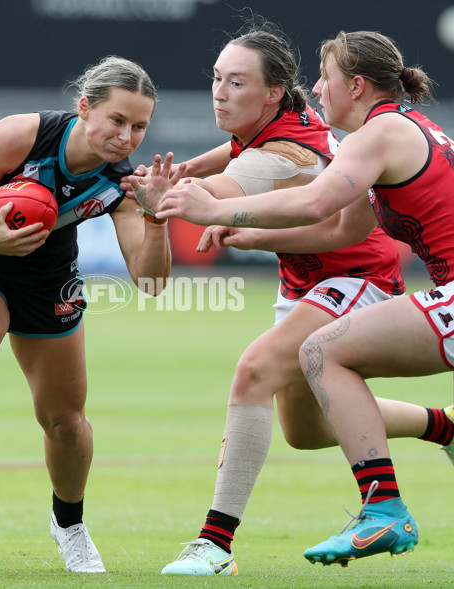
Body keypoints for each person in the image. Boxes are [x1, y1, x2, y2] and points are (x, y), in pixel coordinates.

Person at [129, 23, 454, 576]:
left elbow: (313, 201)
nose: (317, 90)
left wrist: (206, 209)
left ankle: (223, 541)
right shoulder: (376, 133)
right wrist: (250, 233)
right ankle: (442, 428)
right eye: (217, 79)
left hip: (360, 283)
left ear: (355, 85)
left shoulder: (371, 133)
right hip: (340, 281)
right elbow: (342, 229)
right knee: (304, 431)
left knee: (300, 357)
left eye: (325, 79)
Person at [0, 55, 171, 573]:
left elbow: (150, 282)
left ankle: (70, 523)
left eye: (140, 126)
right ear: (84, 108)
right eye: (117, 120)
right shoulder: (23, 135)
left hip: (48, 280)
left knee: (65, 420)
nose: (127, 136)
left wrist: (156, 215)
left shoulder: (122, 185)